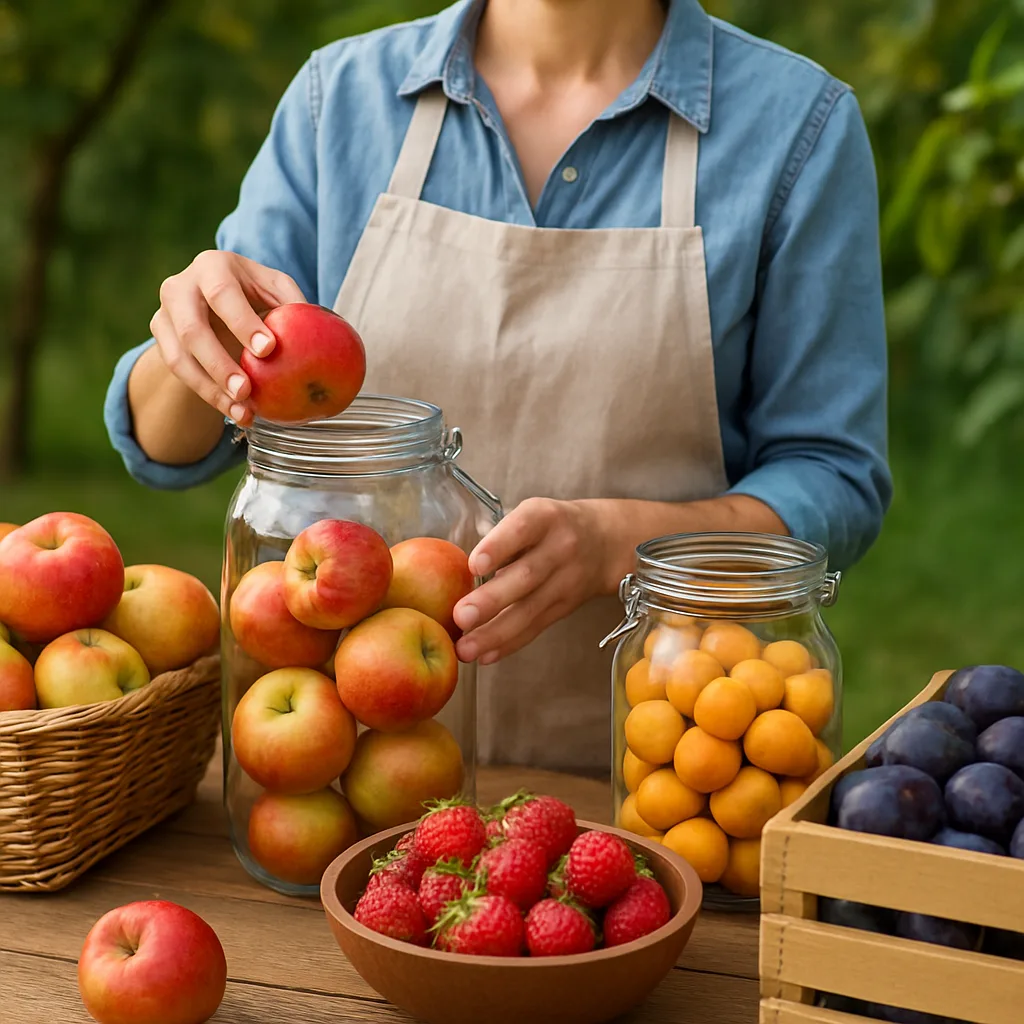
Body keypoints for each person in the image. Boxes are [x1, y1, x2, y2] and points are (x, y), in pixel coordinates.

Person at [105, 0, 892, 773]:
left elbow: (832, 477)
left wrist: (621, 544)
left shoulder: (797, 126)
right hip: (345, 776)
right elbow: (173, 447)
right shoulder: (340, 98)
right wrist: (194, 337)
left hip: (663, 774)